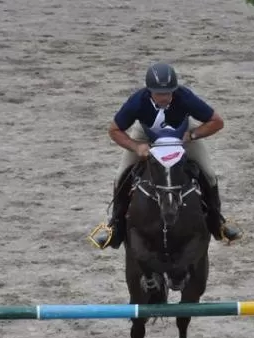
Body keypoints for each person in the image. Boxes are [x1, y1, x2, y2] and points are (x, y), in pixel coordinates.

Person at [90, 62, 242, 249]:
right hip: (146, 134)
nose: (165, 97)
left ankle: (217, 221)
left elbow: (217, 121)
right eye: (159, 93)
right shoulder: (137, 101)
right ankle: (116, 224)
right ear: (149, 91)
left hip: (182, 135)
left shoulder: (185, 97)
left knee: (208, 173)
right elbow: (114, 130)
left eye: (169, 92)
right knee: (121, 174)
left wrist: (193, 135)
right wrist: (136, 147)